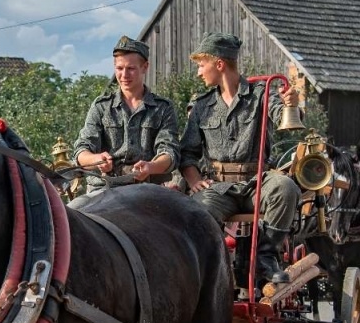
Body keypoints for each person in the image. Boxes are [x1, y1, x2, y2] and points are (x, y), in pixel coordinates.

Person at [178, 32, 302, 287]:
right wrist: (194, 180)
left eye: (202, 65)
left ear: (219, 64)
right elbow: (187, 153)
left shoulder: (261, 94)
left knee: (285, 187)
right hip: (219, 188)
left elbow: (282, 117)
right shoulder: (201, 106)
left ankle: (266, 257)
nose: (199, 72)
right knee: (196, 211)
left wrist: (292, 104)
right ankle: (212, 270)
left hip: (257, 183)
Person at [71, 36, 179, 203]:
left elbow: (169, 153)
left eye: (131, 68)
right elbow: (81, 151)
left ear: (145, 67)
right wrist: (97, 159)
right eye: (119, 68)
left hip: (147, 190)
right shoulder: (101, 106)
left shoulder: (163, 108)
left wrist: (150, 167)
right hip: (103, 190)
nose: (124, 75)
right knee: (74, 212)